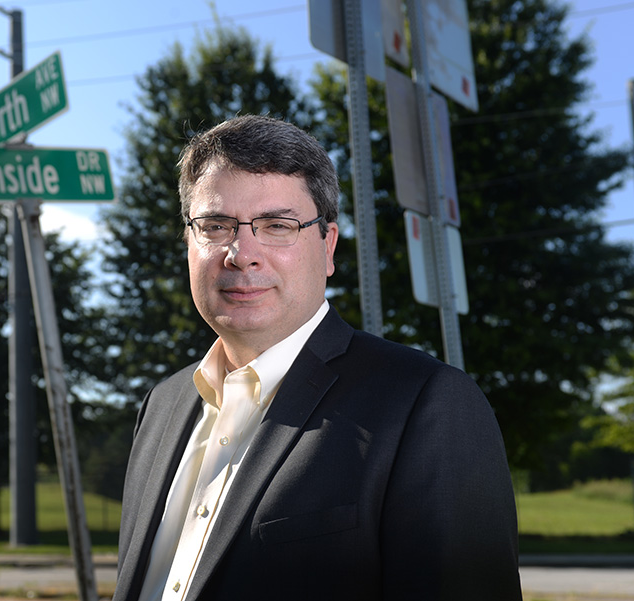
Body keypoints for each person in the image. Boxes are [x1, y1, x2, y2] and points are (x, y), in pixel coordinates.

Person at [113, 114, 522, 601]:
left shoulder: (424, 405)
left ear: (327, 247)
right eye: (216, 225)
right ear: (189, 241)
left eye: (277, 225)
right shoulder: (160, 406)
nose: (242, 253)